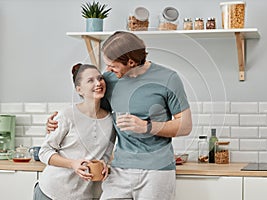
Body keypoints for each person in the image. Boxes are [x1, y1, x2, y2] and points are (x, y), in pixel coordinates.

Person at [47, 31, 192, 200]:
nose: (107, 69)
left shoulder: (168, 78)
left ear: (131, 62)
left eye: (112, 65)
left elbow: (185, 126)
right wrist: (58, 121)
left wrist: (146, 126)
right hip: (119, 169)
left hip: (157, 170)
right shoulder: (110, 79)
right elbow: (90, 111)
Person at [35, 64, 115, 200]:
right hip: (52, 193)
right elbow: (44, 152)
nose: (98, 83)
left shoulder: (110, 121)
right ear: (79, 90)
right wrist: (72, 163)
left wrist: (105, 165)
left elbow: (106, 156)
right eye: (90, 80)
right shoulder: (66, 115)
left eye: (100, 78)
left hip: (84, 195)